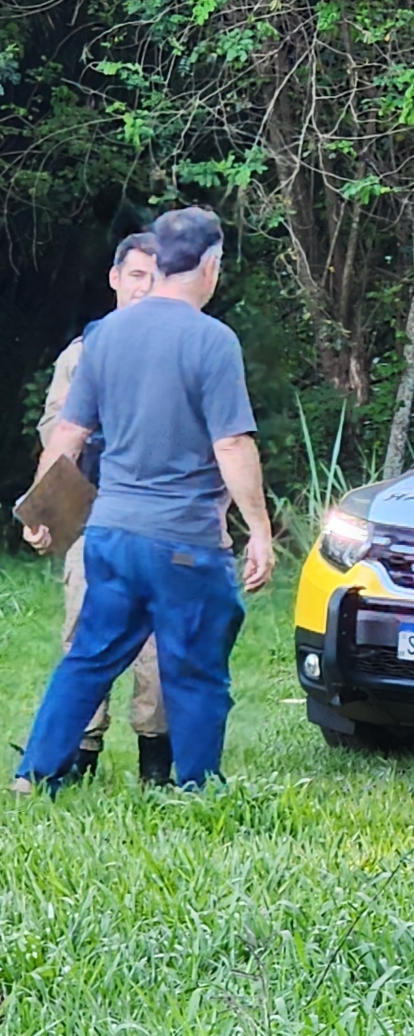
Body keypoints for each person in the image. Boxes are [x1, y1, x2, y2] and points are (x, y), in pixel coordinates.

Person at [12, 207, 274, 795]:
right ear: (209, 265)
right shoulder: (212, 340)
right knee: (197, 670)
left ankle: (35, 773)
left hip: (111, 536)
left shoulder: (105, 337)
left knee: (89, 658)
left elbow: (68, 437)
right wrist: (258, 527)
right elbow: (231, 442)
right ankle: (198, 787)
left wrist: (42, 510)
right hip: (184, 541)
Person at [24, 232, 172, 785]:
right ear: (115, 279)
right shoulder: (81, 355)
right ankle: (76, 758)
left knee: (160, 649)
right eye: (136, 275)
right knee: (85, 636)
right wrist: (43, 513)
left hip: (165, 525)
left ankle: (157, 767)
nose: (145, 287)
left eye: (157, 277)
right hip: (94, 522)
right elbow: (60, 443)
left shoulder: (189, 350)